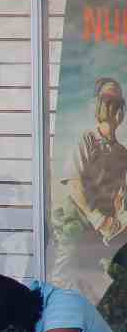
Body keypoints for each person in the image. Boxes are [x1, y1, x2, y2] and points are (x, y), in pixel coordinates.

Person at [54, 78, 127, 302]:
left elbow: (121, 196)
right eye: (108, 100)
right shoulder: (87, 139)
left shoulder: (123, 152)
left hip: (106, 232)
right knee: (64, 284)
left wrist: (117, 221)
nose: (114, 107)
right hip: (78, 224)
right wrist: (98, 219)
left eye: (119, 101)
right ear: (98, 104)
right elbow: (74, 184)